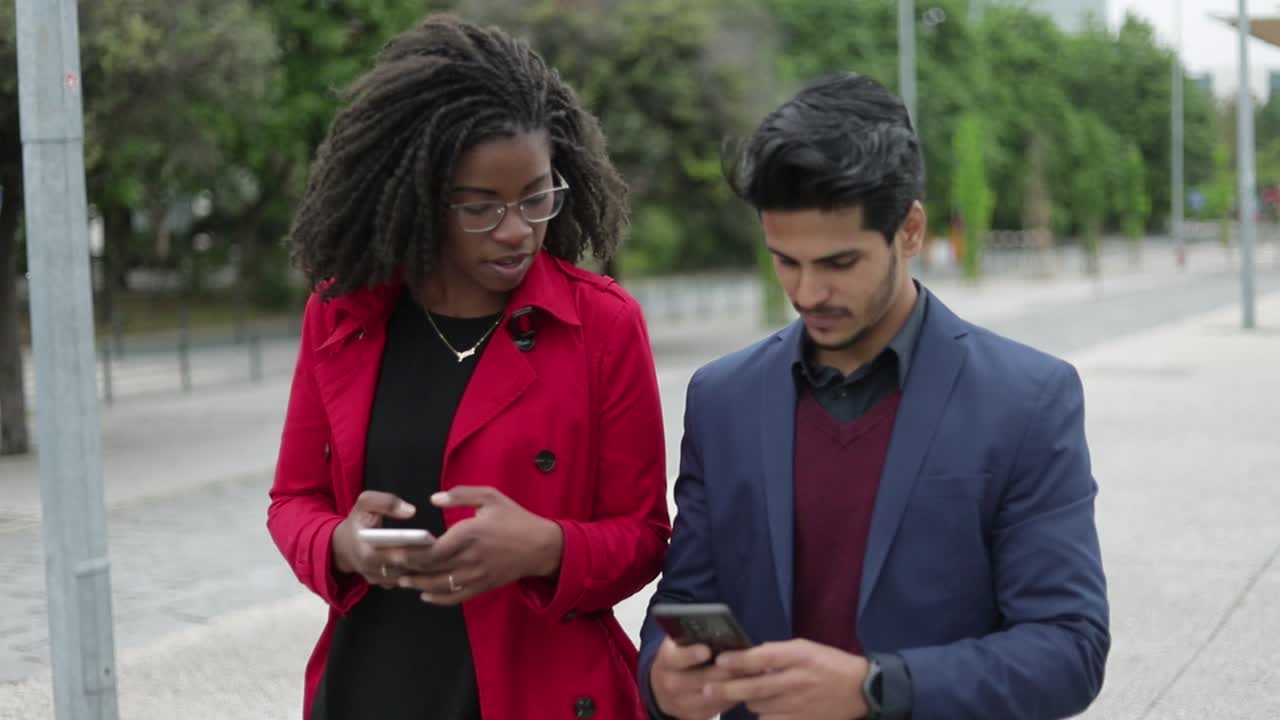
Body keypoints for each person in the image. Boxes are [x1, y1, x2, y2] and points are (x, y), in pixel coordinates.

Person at [638, 73, 1109, 720]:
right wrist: (665, 680)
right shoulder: (723, 399)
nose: (806, 293)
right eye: (785, 260)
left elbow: (1067, 650)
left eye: (838, 263)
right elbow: (682, 606)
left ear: (909, 230)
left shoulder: (1027, 401)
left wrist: (875, 686)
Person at [267, 15, 670, 720]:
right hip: (372, 685)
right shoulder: (342, 317)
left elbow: (643, 537)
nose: (517, 229)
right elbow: (292, 501)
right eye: (480, 208)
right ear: (418, 199)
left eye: (538, 196)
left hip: (541, 689)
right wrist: (341, 543)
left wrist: (543, 547)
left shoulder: (602, 325)